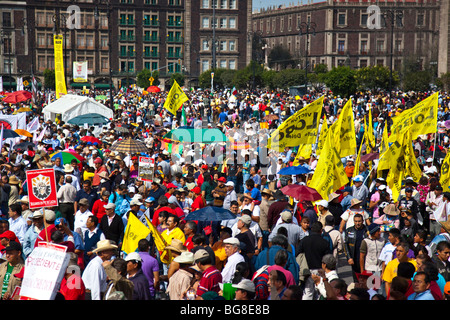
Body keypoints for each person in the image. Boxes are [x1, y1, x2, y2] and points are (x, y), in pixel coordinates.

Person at [296, 221, 331, 300]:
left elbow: (297, 252)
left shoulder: (305, 240)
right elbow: (328, 257)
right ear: (321, 230)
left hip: (307, 270)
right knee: (320, 291)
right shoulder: (324, 242)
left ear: (311, 229)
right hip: (320, 270)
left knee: (308, 291)